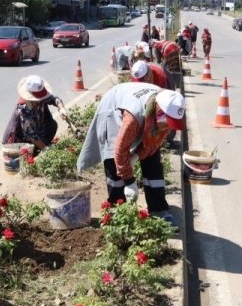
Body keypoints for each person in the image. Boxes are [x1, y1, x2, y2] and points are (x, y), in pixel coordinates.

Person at [77, 83, 186, 223]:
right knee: (113, 162)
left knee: (153, 162)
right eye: (167, 122)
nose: (168, 127)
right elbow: (120, 149)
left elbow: (153, 144)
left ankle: (158, 210)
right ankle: (117, 209)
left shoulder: (167, 105)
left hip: (138, 107)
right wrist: (129, 181)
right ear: (159, 112)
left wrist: (137, 155)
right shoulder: (133, 117)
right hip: (113, 107)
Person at [2, 75, 68, 152]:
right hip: (19, 139)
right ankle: (37, 151)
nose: (41, 99)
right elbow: (32, 137)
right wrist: (47, 150)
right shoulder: (24, 109)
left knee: (52, 125)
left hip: (35, 129)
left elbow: (54, 99)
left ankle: (41, 147)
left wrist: (62, 108)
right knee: (30, 150)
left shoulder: (42, 96)